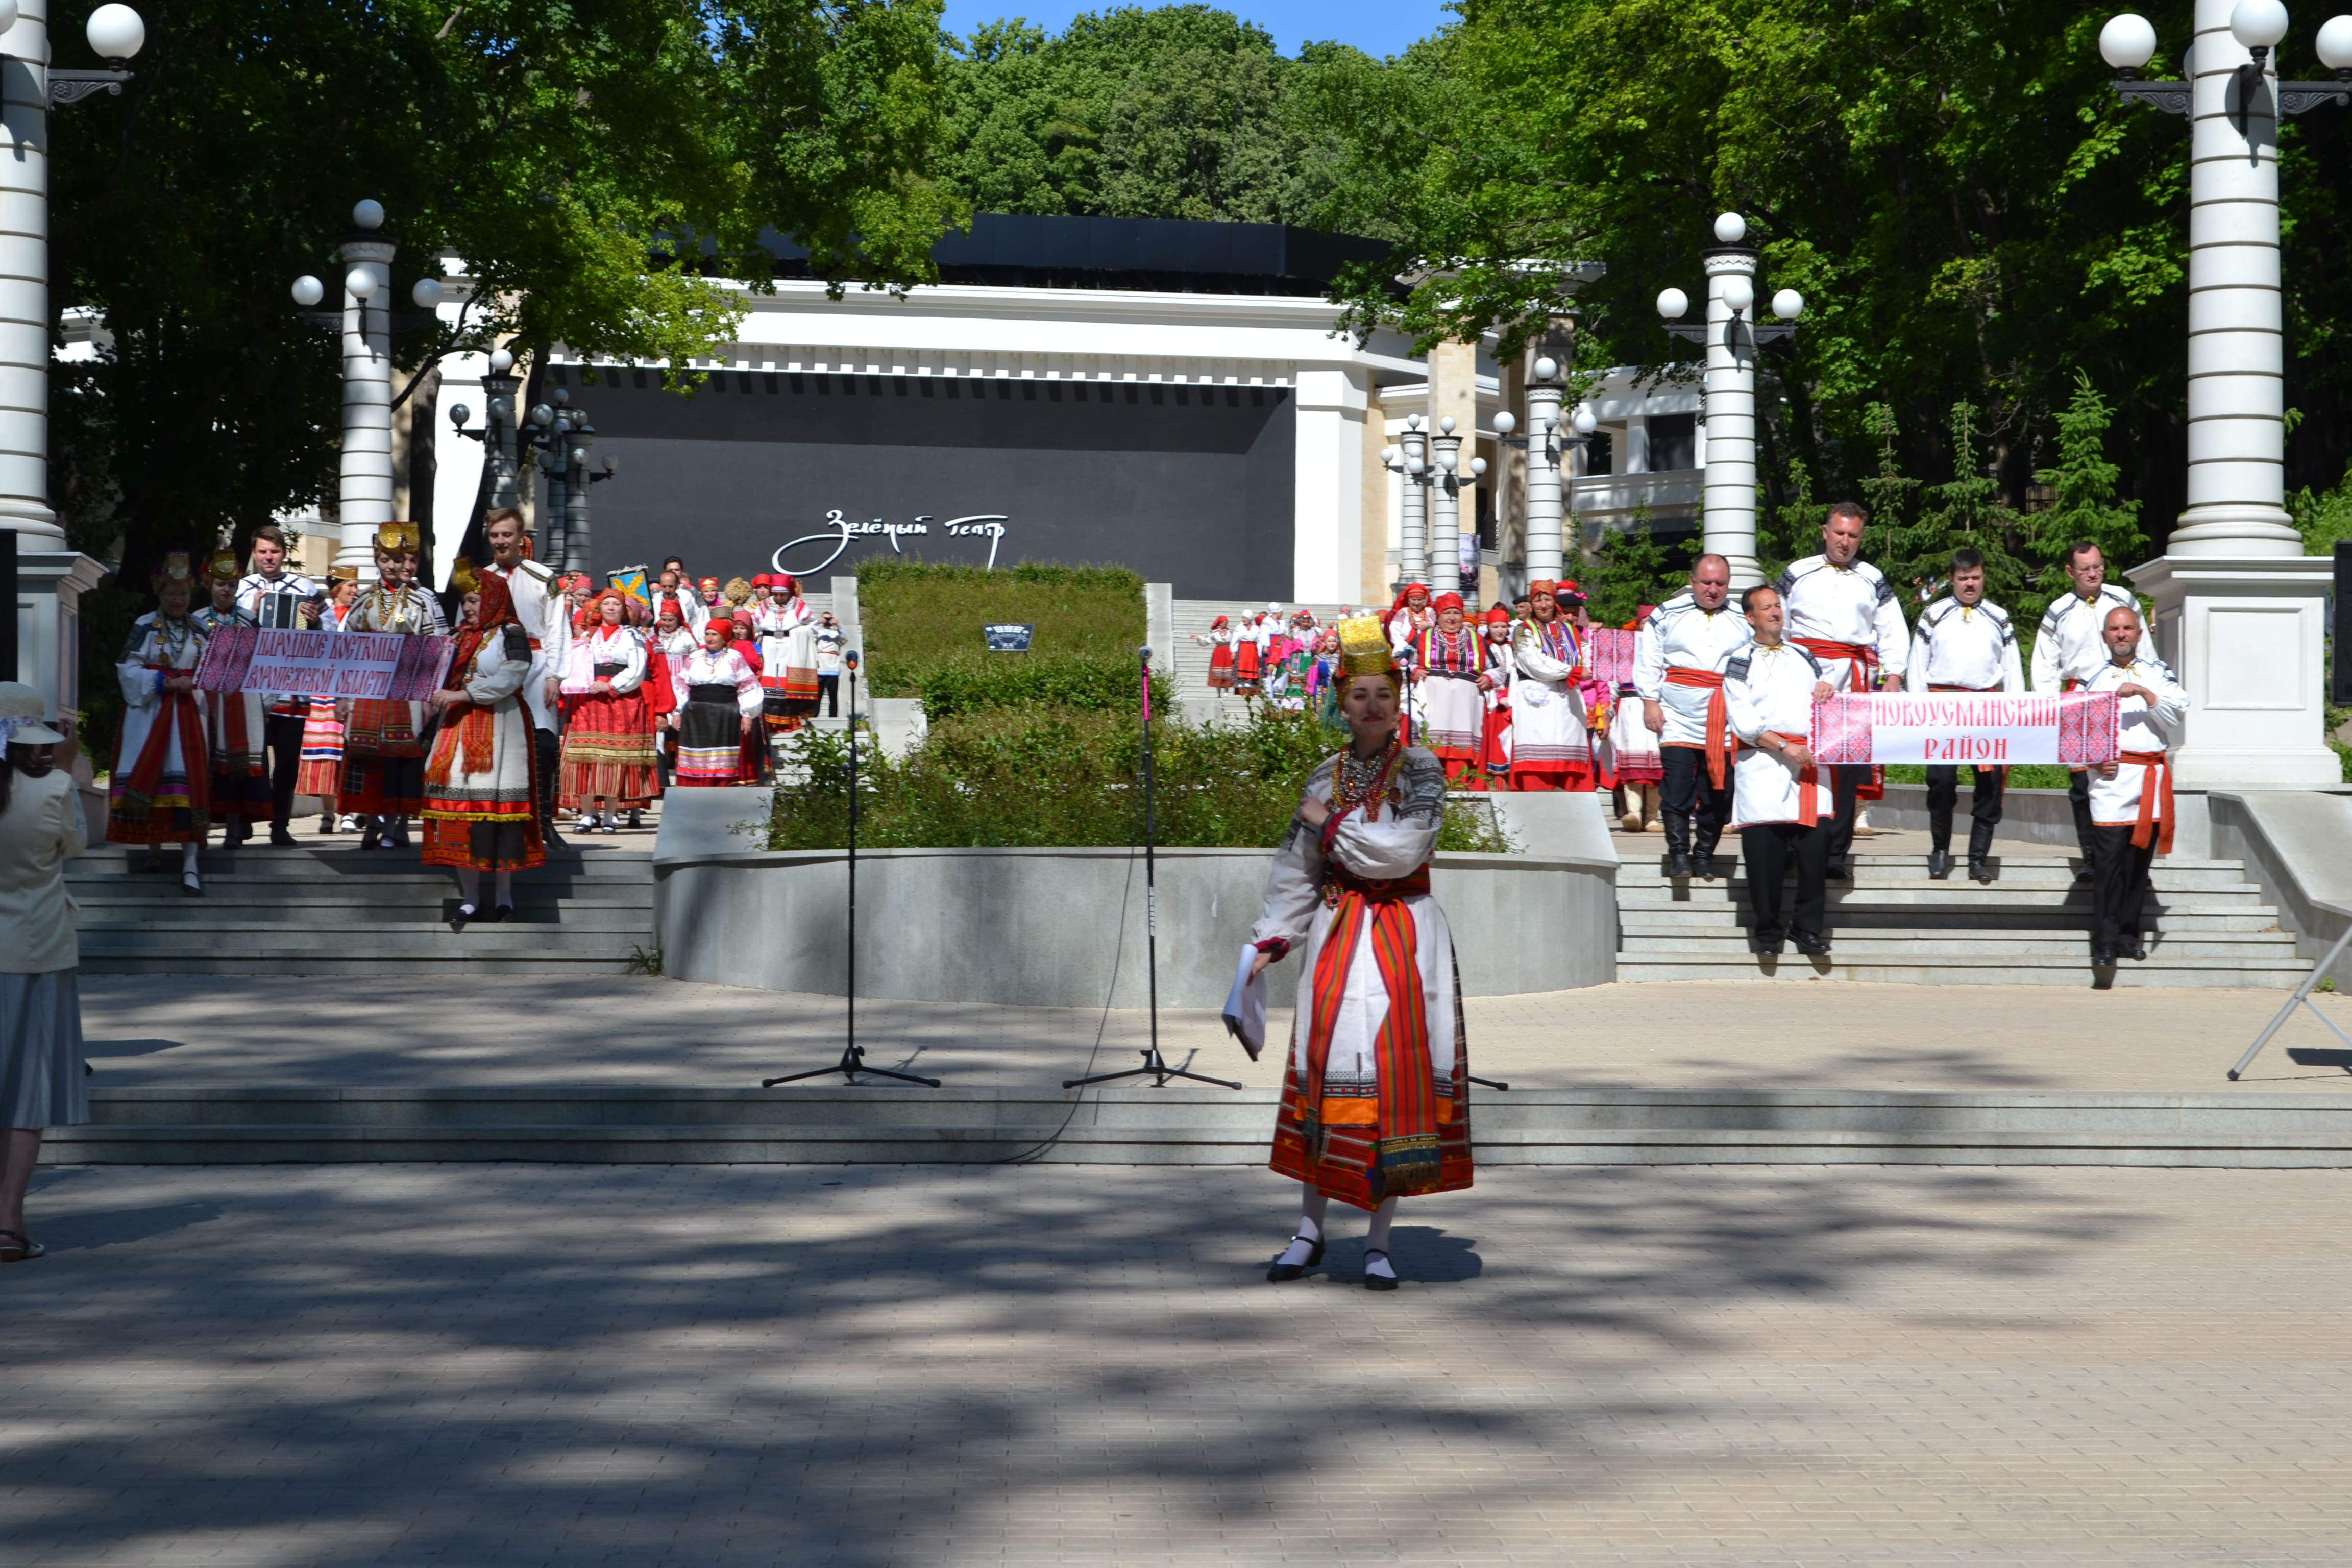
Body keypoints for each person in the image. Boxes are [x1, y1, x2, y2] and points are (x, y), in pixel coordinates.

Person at [1246, 615, 1473, 1292]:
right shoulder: (1325, 772)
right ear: (1340, 704)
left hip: (1405, 934)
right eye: (1359, 696)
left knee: (1397, 1078)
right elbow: (1298, 870)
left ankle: (1378, 1241)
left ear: (1399, 702)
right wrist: (1270, 940)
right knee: (1326, 1069)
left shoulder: (1424, 769)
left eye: (1383, 694)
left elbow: (1404, 851)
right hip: (1340, 933)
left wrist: (1333, 823)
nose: (1372, 706)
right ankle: (1309, 1231)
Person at [1775, 501, 1908, 879]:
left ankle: (1835, 855)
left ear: (1861, 538)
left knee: (1845, 767)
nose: (1845, 542)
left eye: (1853, 536)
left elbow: (1893, 630)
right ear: (1825, 532)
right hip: (1803, 673)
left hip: (1851, 680)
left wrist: (1894, 677)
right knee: (1795, 759)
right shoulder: (1797, 573)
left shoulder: (1873, 577)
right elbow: (1776, 621)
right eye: (1839, 533)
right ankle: (1789, 845)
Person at [0, 688, 86, 1264]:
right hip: (38, 948)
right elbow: (76, 846)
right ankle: (8, 1224)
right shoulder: (56, 787)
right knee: (26, 1093)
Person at [422, 562, 543, 922]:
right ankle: (471, 898)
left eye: (475, 600)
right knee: (459, 809)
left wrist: (464, 695)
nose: (469, 607)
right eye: (466, 601)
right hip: (458, 730)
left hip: (502, 728)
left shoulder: (512, 634)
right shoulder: (457, 638)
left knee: (498, 813)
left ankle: (504, 896)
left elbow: (511, 677)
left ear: (493, 599)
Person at [1726, 584, 1838, 958]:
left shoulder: (1804, 653)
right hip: (1763, 766)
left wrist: (1827, 686)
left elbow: (1833, 678)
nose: (1775, 612)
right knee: (1765, 858)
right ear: (1750, 617)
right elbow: (1743, 720)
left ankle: (1807, 928)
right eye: (1766, 608)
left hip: (1807, 767)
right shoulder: (1739, 660)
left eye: (1778, 606)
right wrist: (1782, 745)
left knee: (1814, 852)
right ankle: (1769, 932)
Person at [2031, 541, 2151, 883]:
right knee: (2084, 783)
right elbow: (2045, 663)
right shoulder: (2059, 610)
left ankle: (2129, 857)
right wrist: (2048, 707)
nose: (2093, 573)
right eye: (2085, 568)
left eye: (2098, 566)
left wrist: (2149, 688)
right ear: (2071, 572)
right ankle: (2092, 857)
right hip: (2079, 701)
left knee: (2127, 776)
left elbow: (2147, 651)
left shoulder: (2123, 602)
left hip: (2125, 697)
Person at [1905, 547, 2025, 882]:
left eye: (1975, 577)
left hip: (1987, 708)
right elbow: (1918, 662)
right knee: (1941, 780)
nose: (1970, 584)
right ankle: (1940, 849)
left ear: (1983, 577)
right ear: (1953, 579)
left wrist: (2015, 712)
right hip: (1943, 708)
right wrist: (1918, 709)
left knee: (1989, 784)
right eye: (1963, 578)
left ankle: (1977, 858)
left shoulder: (1999, 617)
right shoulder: (1934, 614)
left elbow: (2012, 667)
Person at [1634, 553, 1753, 879]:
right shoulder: (1668, 613)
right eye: (1706, 582)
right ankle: (1678, 855)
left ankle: (1704, 855)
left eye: (1720, 583)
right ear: (1692, 581)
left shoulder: (1744, 619)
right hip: (1677, 715)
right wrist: (1649, 701)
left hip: (1724, 717)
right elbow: (1649, 659)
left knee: (1720, 791)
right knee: (1677, 786)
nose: (1713, 590)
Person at [2084, 605, 2188, 965]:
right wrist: (2094, 760)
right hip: (2110, 782)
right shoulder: (2092, 679)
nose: (2122, 634)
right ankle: (2104, 943)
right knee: (2108, 864)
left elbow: (2176, 716)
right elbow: (2073, 733)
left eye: (2128, 628)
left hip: (2148, 780)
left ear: (2140, 634)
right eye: (2114, 629)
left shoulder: (2157, 674)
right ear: (2105, 636)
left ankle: (2129, 935)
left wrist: (2146, 693)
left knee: (2136, 865)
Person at [336, 523, 448, 851]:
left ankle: (398, 825)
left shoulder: (421, 600)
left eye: (398, 559)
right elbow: (346, 649)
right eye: (386, 559)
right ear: (377, 561)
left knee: (405, 757)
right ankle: (371, 823)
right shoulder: (365, 600)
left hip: (407, 690)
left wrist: (429, 695)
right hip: (369, 690)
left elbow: (435, 650)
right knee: (369, 757)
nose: (394, 566)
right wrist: (342, 696)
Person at [109, 553, 212, 893]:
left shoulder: (201, 629)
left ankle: (190, 863)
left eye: (183, 593)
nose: (178, 600)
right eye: (171, 593)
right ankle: (153, 850)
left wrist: (195, 680)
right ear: (160, 593)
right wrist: (163, 682)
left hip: (188, 717)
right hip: (152, 715)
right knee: (153, 779)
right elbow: (127, 668)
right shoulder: (144, 626)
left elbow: (216, 670)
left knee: (189, 785)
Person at [481, 507, 567, 847]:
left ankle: (544, 822)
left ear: (520, 538)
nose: (501, 541)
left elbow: (558, 628)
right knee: (497, 747)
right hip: (493, 665)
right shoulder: (480, 578)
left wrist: (555, 676)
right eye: (495, 535)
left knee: (543, 747)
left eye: (507, 535)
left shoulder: (543, 576)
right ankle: (498, 823)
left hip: (535, 665)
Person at [235, 524, 322, 846]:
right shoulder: (242, 588)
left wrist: (314, 622)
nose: (268, 557)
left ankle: (280, 826)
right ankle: (243, 821)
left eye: (274, 551)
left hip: (292, 689)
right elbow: (230, 634)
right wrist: (251, 612)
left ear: (284, 554)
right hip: (253, 690)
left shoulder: (305, 587)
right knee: (250, 760)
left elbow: (325, 638)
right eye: (262, 552)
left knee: (287, 763)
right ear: (254, 554)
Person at [559, 587, 661, 832]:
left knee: (614, 759)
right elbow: (573, 664)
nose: (612, 608)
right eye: (607, 604)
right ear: (600, 608)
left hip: (620, 700)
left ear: (623, 610)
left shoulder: (632, 636)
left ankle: (610, 816)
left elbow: (637, 669)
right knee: (586, 757)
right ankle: (586, 814)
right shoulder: (588, 636)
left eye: (617, 604)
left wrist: (611, 685)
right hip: (589, 700)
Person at [192, 548, 270, 842]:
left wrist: (266, 703)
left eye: (232, 585)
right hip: (208, 700)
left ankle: (235, 831)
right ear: (209, 585)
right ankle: (202, 828)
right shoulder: (196, 621)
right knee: (207, 764)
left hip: (243, 702)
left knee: (238, 768)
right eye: (220, 584)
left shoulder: (250, 620)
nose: (226, 589)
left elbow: (263, 662)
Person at [294, 569, 360, 836]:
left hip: (350, 686)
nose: (354, 591)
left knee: (349, 753)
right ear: (337, 589)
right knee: (325, 754)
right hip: (323, 690)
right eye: (350, 586)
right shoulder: (324, 614)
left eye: (356, 586)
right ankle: (328, 812)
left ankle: (350, 812)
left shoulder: (360, 615)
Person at [1508, 578, 1590, 791]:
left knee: (1569, 756)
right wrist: (1570, 671)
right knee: (1539, 753)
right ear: (1531, 604)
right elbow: (1533, 663)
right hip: (1538, 702)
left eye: (1547, 599)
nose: (1543, 605)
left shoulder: (1572, 632)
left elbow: (1588, 656)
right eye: (1538, 600)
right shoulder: (1523, 631)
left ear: (1555, 602)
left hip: (1568, 702)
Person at [670, 615, 764, 786]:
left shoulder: (735, 657)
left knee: (724, 758)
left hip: (726, 713)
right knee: (696, 755)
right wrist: (678, 711)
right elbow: (682, 685)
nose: (710, 638)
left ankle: (722, 789)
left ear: (724, 637)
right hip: (696, 714)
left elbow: (748, 685)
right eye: (707, 634)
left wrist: (747, 714)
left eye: (714, 634)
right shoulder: (695, 657)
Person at [1413, 592, 1486, 785]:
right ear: (1438, 616)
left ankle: (1460, 785)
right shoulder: (1423, 637)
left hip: (1465, 699)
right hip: (1434, 696)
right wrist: (1414, 670)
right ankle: (1430, 783)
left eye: (1457, 613)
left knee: (1461, 745)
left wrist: (1489, 677)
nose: (1452, 618)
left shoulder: (1476, 638)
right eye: (1447, 613)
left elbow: (1496, 668)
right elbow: (1403, 661)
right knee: (1433, 741)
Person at [1606, 606, 1664, 832]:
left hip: (1657, 708)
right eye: (1644, 622)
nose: (1648, 627)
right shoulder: (1621, 649)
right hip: (1630, 711)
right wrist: (1607, 714)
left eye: (1653, 622)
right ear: (1638, 624)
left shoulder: (1665, 649)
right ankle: (1633, 813)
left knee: (1656, 766)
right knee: (1633, 764)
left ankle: (1651, 818)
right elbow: (1612, 683)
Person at [755, 573, 820, 745]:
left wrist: (799, 633)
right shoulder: (763, 606)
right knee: (768, 680)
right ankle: (768, 721)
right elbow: (755, 625)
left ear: (789, 592)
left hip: (790, 646)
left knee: (785, 682)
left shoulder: (799, 606)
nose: (779, 597)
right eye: (776, 593)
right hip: (768, 646)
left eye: (783, 594)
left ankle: (789, 722)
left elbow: (812, 625)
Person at [649, 597, 697, 787]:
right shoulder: (655, 637)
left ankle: (685, 777)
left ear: (678, 620)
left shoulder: (687, 638)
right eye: (664, 619)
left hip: (681, 687)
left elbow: (695, 661)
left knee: (679, 730)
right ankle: (661, 779)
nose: (666, 623)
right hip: (661, 687)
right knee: (660, 731)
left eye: (670, 620)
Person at [1475, 604, 1515, 787]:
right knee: (1494, 750)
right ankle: (1494, 791)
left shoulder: (1514, 648)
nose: (1500, 631)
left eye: (1503, 626)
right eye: (1495, 627)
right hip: (1492, 705)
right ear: (1488, 629)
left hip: (1513, 703)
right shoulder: (1483, 647)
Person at [814, 611, 845, 717]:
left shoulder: (836, 633)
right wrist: (818, 622)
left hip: (833, 668)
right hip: (820, 667)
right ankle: (814, 716)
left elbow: (845, 639)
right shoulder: (818, 631)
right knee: (818, 695)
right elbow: (808, 632)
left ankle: (833, 717)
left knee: (833, 696)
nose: (827, 621)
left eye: (829, 619)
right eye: (825, 619)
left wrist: (837, 625)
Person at [1196, 615, 1237, 696]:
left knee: (1228, 672)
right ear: (1220, 623)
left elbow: (1235, 641)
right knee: (1218, 672)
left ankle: (1226, 692)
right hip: (1219, 652)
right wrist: (1199, 638)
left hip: (1228, 652)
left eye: (1226, 623)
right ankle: (1219, 693)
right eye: (1224, 623)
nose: (1225, 624)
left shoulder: (1230, 632)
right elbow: (1206, 641)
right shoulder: (1214, 633)